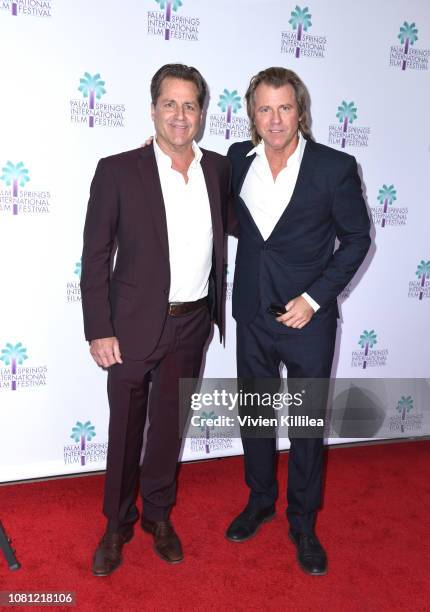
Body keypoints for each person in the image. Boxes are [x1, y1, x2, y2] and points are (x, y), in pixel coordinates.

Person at [80, 63, 231, 576]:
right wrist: (99, 327)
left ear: (202, 113)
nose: (180, 115)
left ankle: (159, 517)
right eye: (170, 103)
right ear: (153, 109)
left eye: (190, 105)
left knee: (170, 427)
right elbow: (96, 256)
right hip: (128, 327)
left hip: (192, 324)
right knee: (125, 430)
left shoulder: (217, 171)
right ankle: (116, 525)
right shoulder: (118, 170)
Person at [225, 67, 371, 576]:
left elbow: (357, 240)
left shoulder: (334, 167)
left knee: (307, 427)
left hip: (308, 320)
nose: (275, 118)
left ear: (300, 110)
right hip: (252, 315)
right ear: (252, 114)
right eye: (264, 108)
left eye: (284, 107)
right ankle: (260, 499)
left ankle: (303, 523)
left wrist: (313, 297)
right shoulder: (235, 163)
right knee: (257, 417)